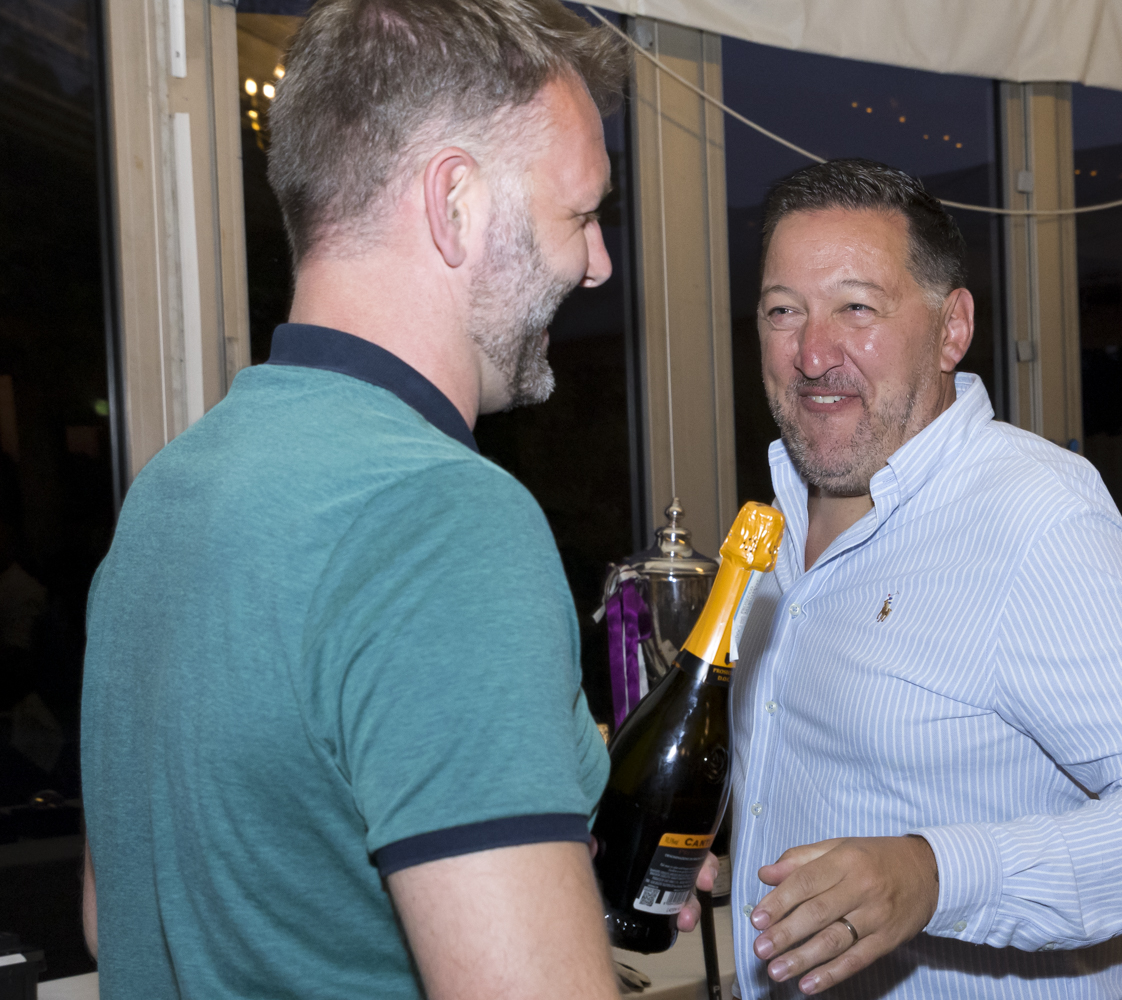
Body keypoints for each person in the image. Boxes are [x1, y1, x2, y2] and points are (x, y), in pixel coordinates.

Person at [78, 3, 699, 997]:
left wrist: (534, 863)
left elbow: (118, 916)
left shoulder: (168, 494)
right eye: (580, 216)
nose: (598, 265)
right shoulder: (442, 519)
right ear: (455, 203)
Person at [726, 159, 1122, 999]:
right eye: (782, 310)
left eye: (856, 307)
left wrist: (934, 874)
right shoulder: (774, 529)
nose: (811, 352)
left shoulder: (1035, 519)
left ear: (951, 329)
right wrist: (737, 850)